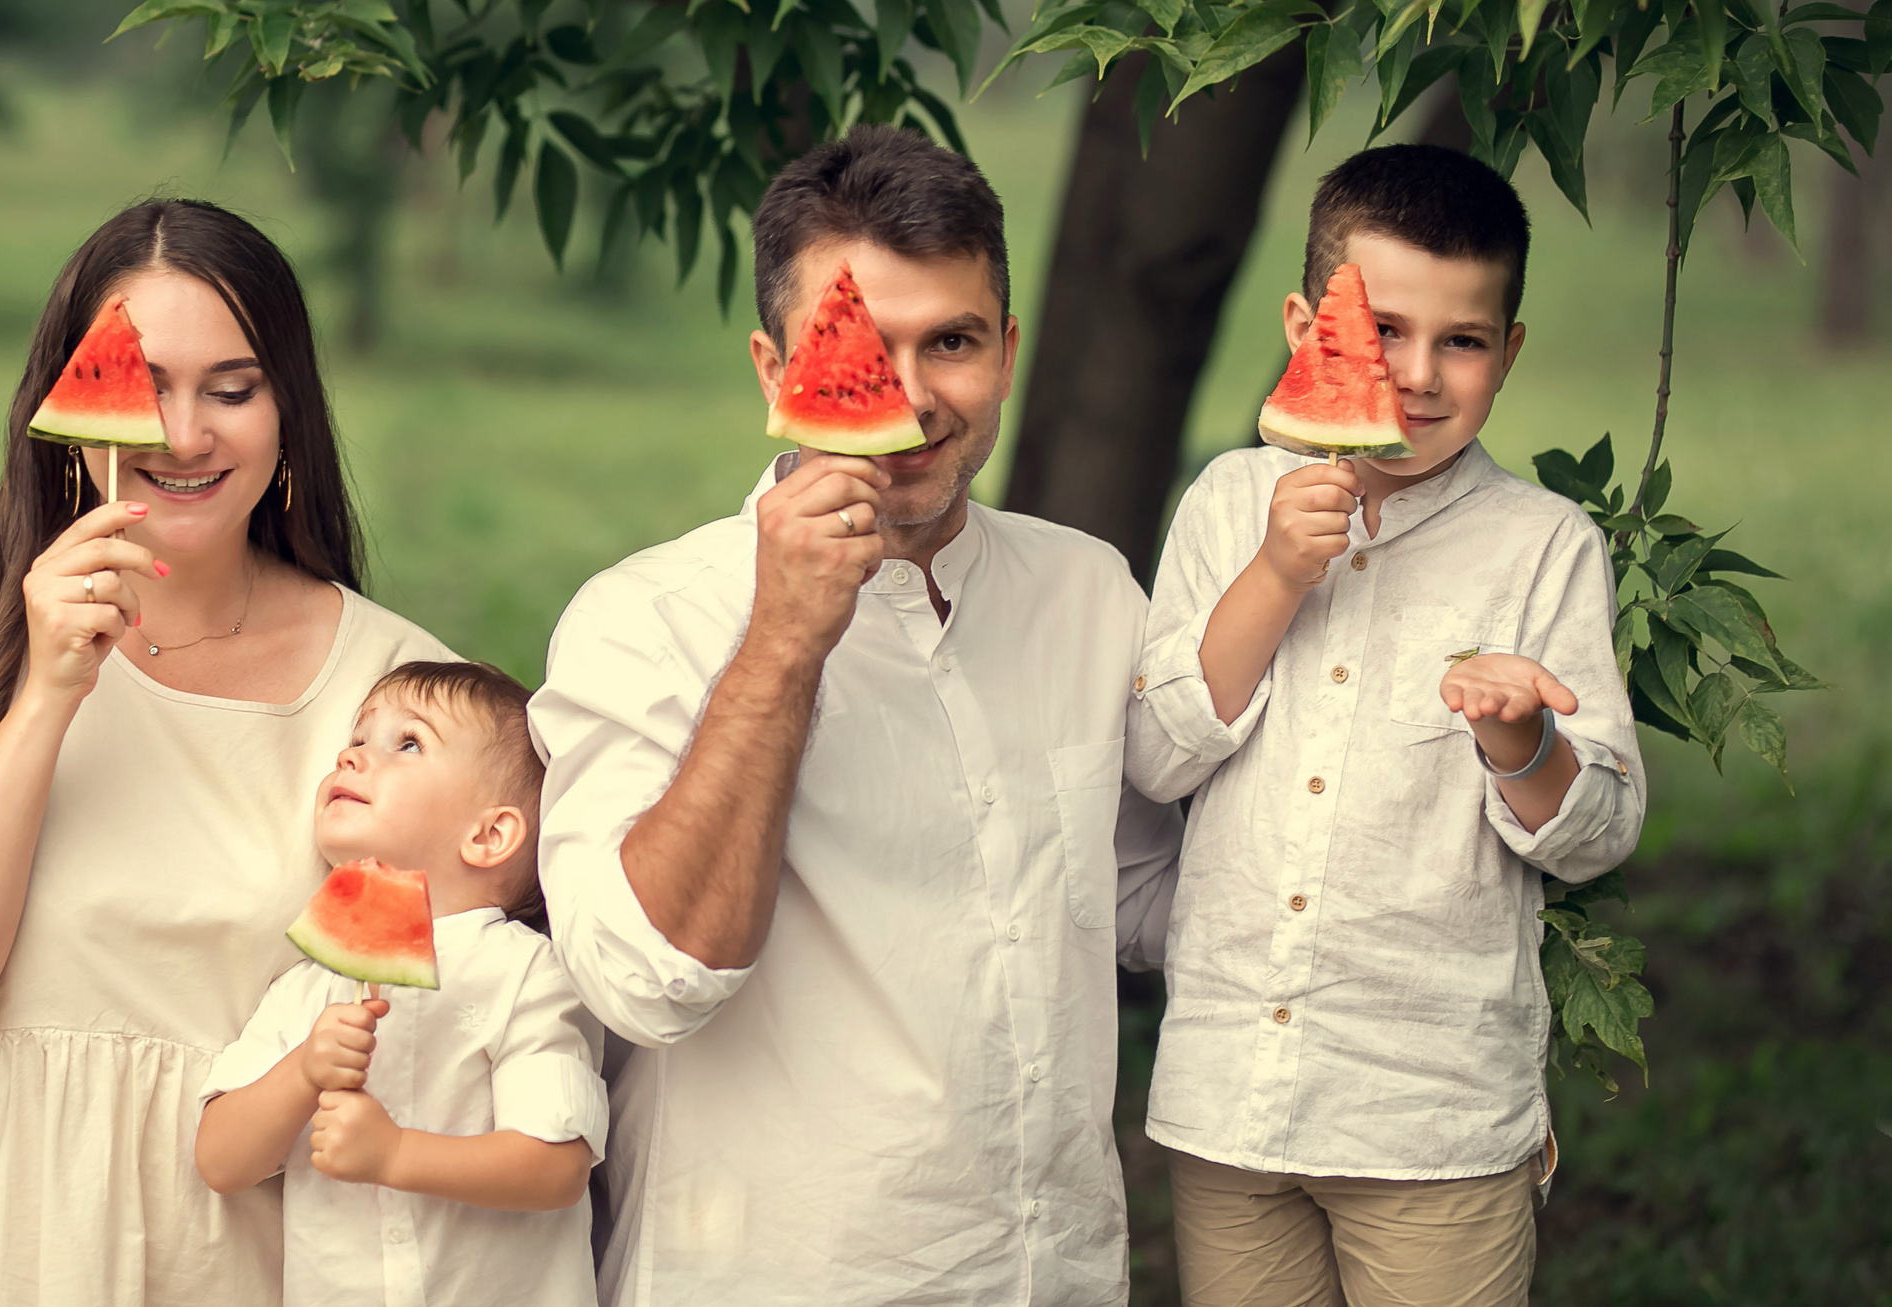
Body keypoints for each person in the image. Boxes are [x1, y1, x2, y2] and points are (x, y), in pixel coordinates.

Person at [0, 199, 456, 1307]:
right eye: (143, 383)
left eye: (232, 388)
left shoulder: (396, 695)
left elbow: (448, 1048)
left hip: (245, 1265)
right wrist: (49, 690)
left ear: (289, 410)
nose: (183, 434)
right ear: (65, 402)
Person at [529, 125, 1186, 1306]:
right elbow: (645, 980)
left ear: (1008, 350)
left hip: (1053, 1275)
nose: (912, 398)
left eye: (952, 343)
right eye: (862, 351)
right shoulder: (642, 621)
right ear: (776, 372)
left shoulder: (1090, 592)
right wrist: (783, 639)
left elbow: (1145, 901)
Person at [1125, 146, 1645, 1307]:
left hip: (1433, 1117)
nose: (1415, 375)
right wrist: (1271, 572)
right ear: (1307, 327)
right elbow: (1156, 758)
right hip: (1230, 1104)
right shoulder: (1224, 505)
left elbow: (1599, 830)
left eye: (1460, 341)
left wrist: (1524, 742)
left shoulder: (1544, 546)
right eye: (1383, 332)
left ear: (1506, 354)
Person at [197, 660, 606, 1307]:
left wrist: (395, 1154)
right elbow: (221, 1161)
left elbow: (556, 1167)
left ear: (489, 833)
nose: (350, 755)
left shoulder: (527, 975)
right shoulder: (306, 986)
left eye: (406, 742)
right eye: (356, 739)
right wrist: (303, 1070)